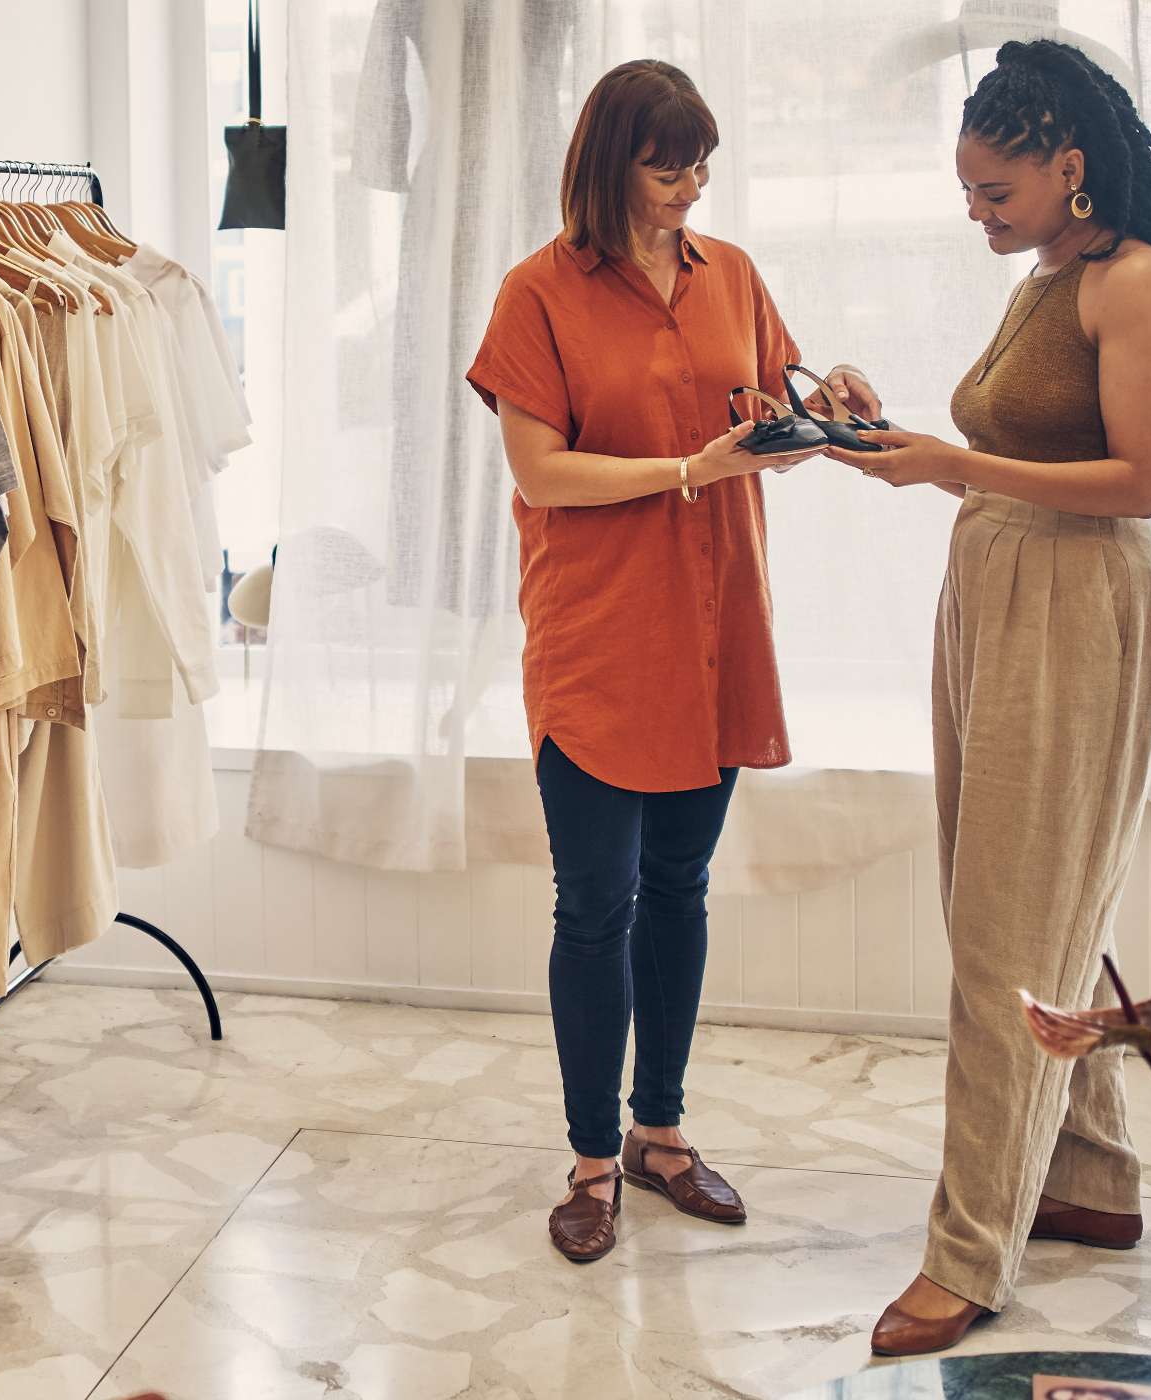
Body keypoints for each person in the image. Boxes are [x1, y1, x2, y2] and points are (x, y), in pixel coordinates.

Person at [821, 39, 1151, 1356]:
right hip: (996, 596)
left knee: (1004, 938)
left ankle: (969, 1253)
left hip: (1073, 611)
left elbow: (1138, 483)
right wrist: (909, 443)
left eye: (996, 192)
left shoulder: (1136, 283)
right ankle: (1088, 1183)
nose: (976, 214)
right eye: (970, 191)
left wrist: (949, 466)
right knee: (1034, 908)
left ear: (1069, 169)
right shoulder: (1052, 273)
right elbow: (1023, 443)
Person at [465, 60, 859, 1264]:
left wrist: (821, 404)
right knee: (595, 908)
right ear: (607, 162)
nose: (690, 186)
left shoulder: (729, 273)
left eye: (702, 165)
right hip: (599, 637)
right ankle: (590, 1160)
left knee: (680, 895)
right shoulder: (536, 295)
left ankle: (661, 1132)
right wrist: (691, 470)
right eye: (666, 164)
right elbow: (543, 473)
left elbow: (767, 403)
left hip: (715, 628)